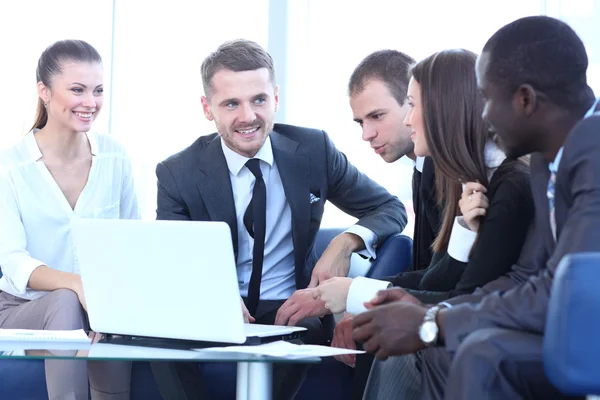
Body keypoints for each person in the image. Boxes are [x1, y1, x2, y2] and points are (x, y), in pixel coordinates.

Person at [353, 16, 599, 399]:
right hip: (573, 329)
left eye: (487, 99)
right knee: (447, 351)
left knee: (481, 352)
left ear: (525, 100)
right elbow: (524, 277)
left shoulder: (594, 151)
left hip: (586, 331)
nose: (481, 115)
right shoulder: (545, 160)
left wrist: (433, 321)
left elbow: (565, 294)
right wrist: (435, 310)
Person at [150, 39, 406, 400]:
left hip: (288, 305)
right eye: (231, 104)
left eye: (258, 99)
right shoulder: (179, 172)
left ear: (276, 98)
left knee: (306, 324)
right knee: (163, 333)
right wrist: (213, 292)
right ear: (208, 108)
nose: (248, 116)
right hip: (211, 305)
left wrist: (346, 242)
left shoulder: (314, 150)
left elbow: (389, 208)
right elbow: (172, 256)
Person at [0, 40, 139, 400]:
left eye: (98, 90)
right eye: (77, 90)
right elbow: (14, 262)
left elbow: (132, 244)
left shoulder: (115, 157)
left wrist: (104, 305)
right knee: (63, 300)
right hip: (23, 307)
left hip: (98, 305)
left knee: (107, 318)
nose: (90, 102)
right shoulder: (10, 167)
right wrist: (78, 286)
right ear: (44, 92)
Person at [334, 49, 443, 398]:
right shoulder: (420, 169)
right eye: (360, 122)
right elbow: (430, 271)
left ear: (411, 106)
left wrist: (362, 298)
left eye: (377, 116)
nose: (366, 134)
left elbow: (449, 278)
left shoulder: (451, 173)